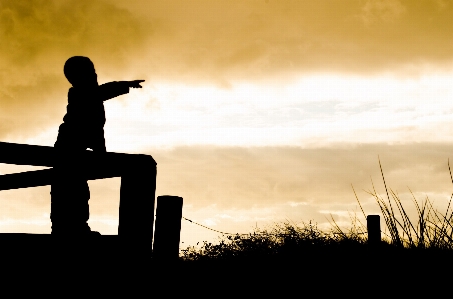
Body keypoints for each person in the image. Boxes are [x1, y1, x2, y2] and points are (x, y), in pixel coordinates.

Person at [51, 56, 144, 235]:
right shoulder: (79, 94)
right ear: (77, 77)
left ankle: (78, 226)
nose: (95, 75)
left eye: (94, 72)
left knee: (79, 190)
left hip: (78, 147)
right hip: (68, 145)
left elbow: (95, 130)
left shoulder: (92, 99)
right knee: (66, 189)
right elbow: (99, 98)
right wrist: (125, 84)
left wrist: (101, 152)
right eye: (90, 72)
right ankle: (66, 229)